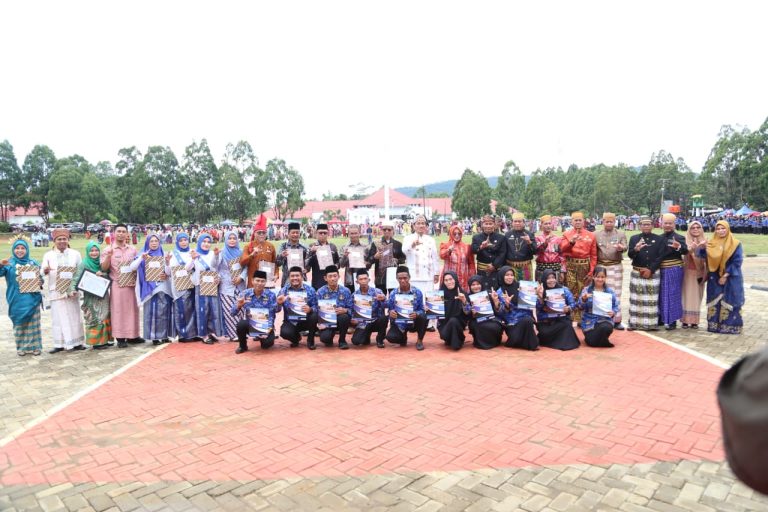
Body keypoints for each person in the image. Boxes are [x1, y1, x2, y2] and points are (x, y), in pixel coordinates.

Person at [40, 228, 86, 353]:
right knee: (58, 318)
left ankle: (78, 343)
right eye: (59, 239)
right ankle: (59, 344)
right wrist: (45, 270)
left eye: (64, 239)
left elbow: (80, 271)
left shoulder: (75, 254)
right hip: (56, 290)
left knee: (74, 316)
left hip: (71, 291)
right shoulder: (48, 255)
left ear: (68, 240)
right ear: (54, 241)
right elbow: (41, 272)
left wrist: (76, 287)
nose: (62, 241)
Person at [100, 223, 142, 346]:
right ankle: (120, 337)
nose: (121, 234)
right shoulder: (108, 250)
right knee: (118, 311)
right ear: (114, 233)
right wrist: (108, 257)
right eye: (118, 231)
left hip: (131, 284)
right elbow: (104, 268)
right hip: (117, 284)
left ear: (127, 234)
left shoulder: (132, 249)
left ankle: (133, 335)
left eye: (123, 231)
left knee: (132, 310)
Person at [699, 220, 744, 334]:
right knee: (715, 299)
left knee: (730, 300)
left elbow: (737, 262)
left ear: (728, 229)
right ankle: (714, 325)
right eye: (718, 229)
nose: (720, 231)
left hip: (730, 277)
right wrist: (702, 247)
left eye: (723, 228)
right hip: (714, 277)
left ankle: (730, 327)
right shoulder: (711, 243)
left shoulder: (735, 243)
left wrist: (725, 275)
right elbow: (703, 256)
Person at [1, 236, 44, 356]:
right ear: (13, 249)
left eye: (23, 248)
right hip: (16, 300)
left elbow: (40, 280)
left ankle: (36, 347)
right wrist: (0, 264)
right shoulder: (8, 264)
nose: (20, 250)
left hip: (32, 299)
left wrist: (39, 281)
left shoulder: (33, 263)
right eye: (17, 248)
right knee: (19, 323)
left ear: (27, 250)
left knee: (34, 324)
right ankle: (21, 347)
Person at [132, 234, 173, 346]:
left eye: (156, 241)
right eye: (151, 241)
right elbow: (132, 267)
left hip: (163, 287)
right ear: (147, 243)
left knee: (164, 312)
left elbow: (168, 272)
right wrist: (141, 258)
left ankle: (164, 336)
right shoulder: (143, 254)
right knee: (152, 313)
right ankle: (154, 336)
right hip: (149, 289)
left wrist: (167, 264)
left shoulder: (164, 254)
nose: (154, 243)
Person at [626, 217, 664, 331]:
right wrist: (636, 249)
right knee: (636, 298)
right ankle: (634, 323)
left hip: (653, 273)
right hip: (637, 272)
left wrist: (651, 270)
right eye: (643, 224)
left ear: (652, 226)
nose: (646, 226)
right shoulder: (634, 238)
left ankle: (651, 324)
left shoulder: (659, 239)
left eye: (648, 224)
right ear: (640, 226)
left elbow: (660, 257)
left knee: (652, 299)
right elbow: (630, 255)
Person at [72, 241, 112, 349]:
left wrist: (102, 274)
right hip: (90, 296)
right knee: (94, 316)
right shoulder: (84, 263)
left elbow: (110, 275)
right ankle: (96, 342)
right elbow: (76, 277)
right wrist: (72, 289)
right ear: (87, 252)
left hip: (103, 295)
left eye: (96, 250)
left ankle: (105, 340)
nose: (94, 253)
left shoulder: (102, 262)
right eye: (91, 251)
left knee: (104, 315)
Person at [559, 211, 597, 323]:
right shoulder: (566, 234)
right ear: (572, 221)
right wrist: (571, 242)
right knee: (570, 290)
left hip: (585, 266)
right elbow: (562, 250)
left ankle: (582, 317)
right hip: (570, 265)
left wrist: (591, 271)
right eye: (576, 220)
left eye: (580, 220)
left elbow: (594, 255)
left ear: (583, 221)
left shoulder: (591, 235)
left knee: (583, 290)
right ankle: (569, 316)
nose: (578, 222)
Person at [403, 215, 439, 330]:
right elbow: (404, 251)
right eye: (418, 223)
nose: (421, 225)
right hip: (414, 275)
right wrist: (412, 245)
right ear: (414, 226)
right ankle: (413, 323)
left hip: (428, 274)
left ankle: (430, 324)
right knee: (415, 300)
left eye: (423, 223)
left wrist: (436, 272)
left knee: (429, 299)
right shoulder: (408, 238)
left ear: (426, 226)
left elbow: (435, 257)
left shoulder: (430, 240)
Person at [594, 213, 627, 330]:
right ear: (603, 222)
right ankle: (600, 319)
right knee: (600, 293)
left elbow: (625, 247)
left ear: (614, 222)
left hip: (615, 266)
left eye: (611, 221)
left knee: (616, 293)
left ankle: (617, 320)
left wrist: (621, 248)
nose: (609, 224)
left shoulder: (620, 234)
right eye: (607, 221)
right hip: (601, 266)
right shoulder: (596, 234)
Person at [233, 270, 278, 353]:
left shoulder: (271, 295)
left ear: (265, 282)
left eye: (262, 281)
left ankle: (262, 337)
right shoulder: (244, 294)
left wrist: (268, 329)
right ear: (252, 281)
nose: (259, 283)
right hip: (251, 325)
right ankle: (242, 346)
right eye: (257, 280)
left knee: (266, 345)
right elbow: (232, 313)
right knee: (241, 324)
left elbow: (272, 315)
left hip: (265, 325)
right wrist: (239, 306)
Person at [657, 213, 688, 330]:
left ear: (674, 225)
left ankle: (672, 320)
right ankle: (661, 318)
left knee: (673, 294)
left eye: (670, 223)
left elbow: (685, 251)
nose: (668, 225)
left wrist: (678, 247)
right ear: (662, 224)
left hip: (674, 269)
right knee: (661, 294)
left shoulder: (679, 237)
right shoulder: (658, 238)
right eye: (665, 223)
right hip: (660, 269)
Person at [495, 266, 538, 350]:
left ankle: (528, 343)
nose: (510, 277)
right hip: (512, 324)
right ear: (502, 276)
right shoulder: (499, 292)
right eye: (507, 275)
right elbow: (500, 314)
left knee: (527, 320)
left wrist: (536, 296)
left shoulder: (522, 287)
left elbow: (532, 304)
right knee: (516, 338)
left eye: (512, 275)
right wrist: (507, 305)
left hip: (525, 319)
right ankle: (518, 341)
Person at [385, 265, 428, 350]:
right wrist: (391, 313)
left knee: (423, 316)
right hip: (400, 323)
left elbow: (422, 309)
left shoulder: (417, 292)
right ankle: (403, 337)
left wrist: (417, 313)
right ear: (397, 279)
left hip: (414, 321)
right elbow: (390, 310)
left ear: (409, 277)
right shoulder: (393, 293)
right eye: (400, 278)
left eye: (405, 278)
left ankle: (419, 340)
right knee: (391, 337)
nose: (402, 280)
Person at [535, 269, 580, 350]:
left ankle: (562, 342)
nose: (551, 280)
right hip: (547, 321)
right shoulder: (540, 291)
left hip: (561, 320)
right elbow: (537, 308)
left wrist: (568, 308)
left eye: (553, 277)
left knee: (566, 325)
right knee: (544, 332)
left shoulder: (564, 289)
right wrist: (541, 298)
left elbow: (573, 304)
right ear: (544, 280)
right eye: (548, 278)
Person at [277, 266, 319, 349]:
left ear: (302, 277)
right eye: (292, 276)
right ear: (289, 277)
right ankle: (296, 339)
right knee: (285, 333)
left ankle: (310, 340)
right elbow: (276, 310)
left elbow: (317, 306)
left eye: (297, 276)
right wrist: (278, 303)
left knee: (314, 315)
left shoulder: (310, 290)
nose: (295, 278)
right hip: (290, 321)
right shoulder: (283, 291)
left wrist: (310, 309)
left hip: (306, 320)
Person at [577, 265, 620, 347]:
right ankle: (598, 340)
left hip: (604, 320)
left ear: (605, 278)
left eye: (602, 277)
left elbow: (615, 306)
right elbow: (579, 307)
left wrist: (613, 312)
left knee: (605, 327)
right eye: (597, 277)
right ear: (593, 277)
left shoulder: (610, 291)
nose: (600, 279)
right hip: (589, 321)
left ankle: (597, 340)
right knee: (591, 342)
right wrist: (583, 299)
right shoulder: (586, 290)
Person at [192, 233, 223, 344]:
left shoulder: (213, 254)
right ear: (199, 242)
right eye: (204, 241)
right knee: (202, 310)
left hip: (212, 285)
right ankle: (203, 334)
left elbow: (217, 268)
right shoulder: (195, 254)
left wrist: (218, 278)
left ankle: (211, 332)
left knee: (213, 309)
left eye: (209, 242)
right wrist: (192, 259)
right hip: (200, 285)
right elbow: (187, 268)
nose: (206, 244)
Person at [167, 232, 198, 342]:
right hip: (179, 286)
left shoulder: (192, 252)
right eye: (181, 240)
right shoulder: (173, 254)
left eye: (185, 240)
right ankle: (183, 334)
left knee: (192, 309)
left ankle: (193, 333)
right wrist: (167, 262)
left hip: (192, 285)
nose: (183, 242)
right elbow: (169, 272)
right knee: (182, 309)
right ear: (177, 242)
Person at [218, 230, 247, 341]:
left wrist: (241, 277)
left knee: (242, 308)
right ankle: (233, 334)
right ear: (225, 240)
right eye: (229, 238)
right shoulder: (221, 253)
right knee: (229, 310)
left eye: (234, 238)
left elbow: (246, 267)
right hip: (226, 286)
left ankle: (242, 332)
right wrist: (219, 277)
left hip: (240, 285)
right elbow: (215, 268)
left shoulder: (241, 252)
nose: (232, 240)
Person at [315, 265, 354, 349]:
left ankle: (342, 340)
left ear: (338, 276)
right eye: (330, 276)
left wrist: (345, 310)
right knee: (325, 339)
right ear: (325, 278)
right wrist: (320, 323)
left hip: (340, 320)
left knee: (344, 317)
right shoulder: (320, 292)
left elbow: (352, 309)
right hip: (326, 321)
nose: (333, 279)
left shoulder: (346, 291)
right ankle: (329, 335)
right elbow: (316, 310)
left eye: (335, 276)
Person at [350, 270, 388, 348]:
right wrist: (353, 319)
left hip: (376, 321)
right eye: (361, 279)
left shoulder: (377, 291)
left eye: (365, 278)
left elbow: (387, 306)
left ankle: (380, 339)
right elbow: (351, 310)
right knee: (356, 341)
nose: (363, 281)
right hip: (363, 323)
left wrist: (383, 299)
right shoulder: (354, 295)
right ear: (357, 282)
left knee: (384, 318)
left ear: (369, 280)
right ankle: (366, 336)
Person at [366, 220, 406, 293]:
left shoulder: (398, 244)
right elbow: (369, 260)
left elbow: (403, 258)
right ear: (382, 230)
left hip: (393, 276)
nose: (387, 231)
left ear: (393, 230)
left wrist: (397, 260)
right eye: (384, 229)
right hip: (380, 277)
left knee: (394, 297)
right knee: (380, 297)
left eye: (389, 229)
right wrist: (375, 257)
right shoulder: (376, 243)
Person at [681, 220, 707, 329]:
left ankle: (694, 321)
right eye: (693, 227)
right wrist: (691, 249)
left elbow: (708, 258)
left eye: (698, 227)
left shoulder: (706, 241)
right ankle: (685, 321)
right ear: (689, 229)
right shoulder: (684, 240)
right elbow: (682, 255)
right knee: (686, 296)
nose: (695, 229)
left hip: (699, 273)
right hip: (687, 273)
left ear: (701, 229)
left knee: (697, 297)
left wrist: (702, 249)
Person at [240, 215, 277, 288]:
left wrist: (276, 274)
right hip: (252, 284)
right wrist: (251, 255)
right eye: (259, 233)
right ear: (254, 233)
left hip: (267, 284)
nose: (261, 235)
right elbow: (242, 263)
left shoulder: (271, 246)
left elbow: (274, 263)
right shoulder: (248, 246)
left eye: (263, 233)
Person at [471, 214, 506, 291]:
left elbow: (502, 253)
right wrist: (481, 247)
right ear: (482, 225)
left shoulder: (501, 237)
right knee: (482, 290)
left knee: (497, 290)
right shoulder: (476, 237)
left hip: (496, 270)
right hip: (482, 270)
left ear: (494, 224)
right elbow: (473, 250)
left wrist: (494, 265)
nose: (488, 226)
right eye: (486, 224)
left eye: (490, 224)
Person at [436, 271, 469, 350]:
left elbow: (468, 312)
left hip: (458, 324)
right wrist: (428, 309)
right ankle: (449, 338)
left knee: (453, 320)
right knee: (445, 334)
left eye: (451, 279)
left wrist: (464, 301)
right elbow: (435, 313)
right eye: (446, 280)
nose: (448, 282)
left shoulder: (463, 294)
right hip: (444, 324)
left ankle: (457, 342)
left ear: (455, 279)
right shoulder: (439, 295)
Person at [467, 275, 503, 349]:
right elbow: (467, 314)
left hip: (491, 318)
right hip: (476, 320)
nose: (476, 286)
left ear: (482, 284)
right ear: (470, 286)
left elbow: (499, 311)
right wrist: (472, 313)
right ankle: (480, 343)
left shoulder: (490, 293)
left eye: (478, 284)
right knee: (478, 326)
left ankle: (495, 341)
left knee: (494, 326)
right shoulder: (468, 297)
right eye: (473, 285)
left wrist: (496, 301)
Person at [439, 224, 475, 291]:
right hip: (449, 277)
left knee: (462, 294)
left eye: (459, 234)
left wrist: (472, 277)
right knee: (448, 294)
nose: (457, 235)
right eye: (454, 234)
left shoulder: (466, 247)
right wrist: (448, 250)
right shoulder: (446, 245)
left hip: (463, 277)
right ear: (451, 234)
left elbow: (471, 263)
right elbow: (441, 255)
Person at [503, 212, 537, 282]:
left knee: (526, 287)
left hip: (526, 267)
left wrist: (529, 242)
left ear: (524, 223)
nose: (517, 223)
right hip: (510, 267)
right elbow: (503, 251)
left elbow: (535, 251)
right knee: (511, 286)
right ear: (512, 223)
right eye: (515, 221)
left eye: (519, 221)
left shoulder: (529, 234)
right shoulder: (507, 234)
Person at [305, 223, 340, 291]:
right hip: (317, 282)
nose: (323, 235)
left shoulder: (332, 247)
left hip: (331, 281)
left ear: (328, 234)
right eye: (320, 233)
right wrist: (312, 252)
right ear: (316, 234)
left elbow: (338, 262)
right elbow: (307, 265)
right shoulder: (312, 246)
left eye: (325, 233)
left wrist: (336, 266)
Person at [339, 224, 370, 293]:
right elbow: (341, 265)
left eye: (355, 233)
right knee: (350, 298)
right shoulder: (344, 247)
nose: (354, 235)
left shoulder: (366, 247)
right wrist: (345, 256)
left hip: (363, 279)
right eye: (352, 233)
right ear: (348, 234)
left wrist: (366, 263)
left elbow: (369, 264)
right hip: (349, 280)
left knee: (363, 298)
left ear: (359, 233)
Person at [275, 222, 309, 287]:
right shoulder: (283, 246)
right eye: (293, 233)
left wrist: (307, 269)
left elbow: (308, 263)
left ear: (300, 234)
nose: (295, 234)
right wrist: (281, 256)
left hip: (301, 278)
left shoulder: (304, 248)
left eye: (297, 232)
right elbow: (278, 263)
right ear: (288, 234)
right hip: (286, 279)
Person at [534, 215, 564, 284]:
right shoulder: (537, 239)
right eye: (545, 224)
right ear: (541, 225)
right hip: (541, 270)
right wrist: (545, 243)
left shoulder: (558, 239)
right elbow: (537, 251)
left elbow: (562, 255)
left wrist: (562, 271)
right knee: (541, 289)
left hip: (555, 270)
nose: (548, 226)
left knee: (555, 289)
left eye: (549, 223)